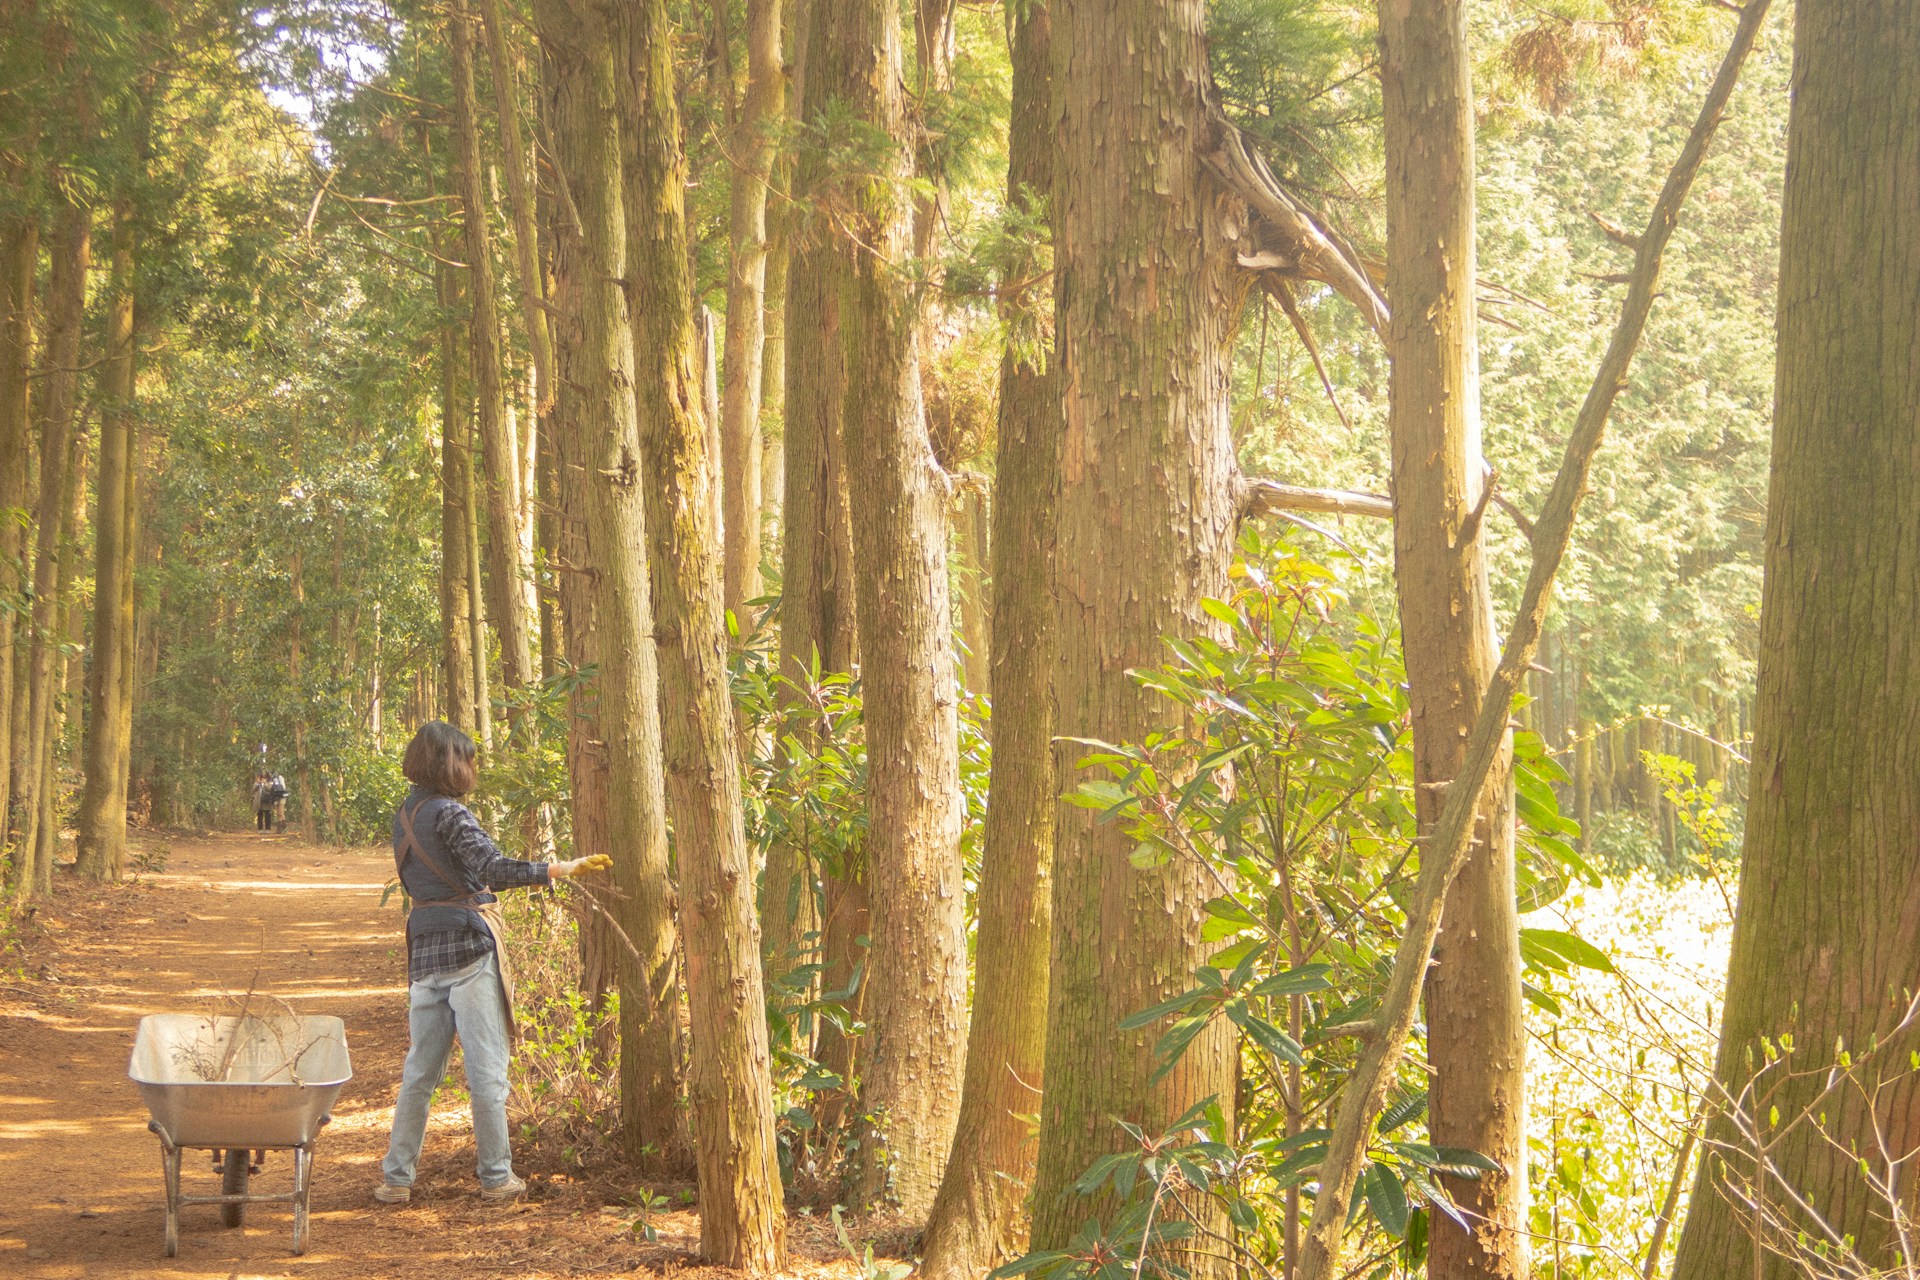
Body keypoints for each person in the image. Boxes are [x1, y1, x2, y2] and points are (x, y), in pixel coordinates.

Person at [374, 720, 608, 1205]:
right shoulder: (451, 815)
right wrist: (558, 869)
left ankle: (396, 1178)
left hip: (424, 955)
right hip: (468, 952)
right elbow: (493, 870)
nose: (473, 768)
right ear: (451, 763)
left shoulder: (404, 814)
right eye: (469, 758)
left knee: (420, 1073)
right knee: (487, 1073)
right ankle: (497, 1176)